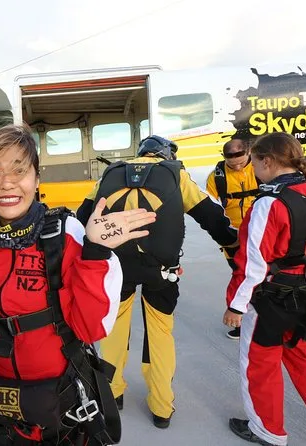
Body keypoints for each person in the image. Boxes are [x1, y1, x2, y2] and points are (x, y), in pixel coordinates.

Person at [0, 124, 156, 445]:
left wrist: (95, 251)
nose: (7, 182)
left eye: (19, 170)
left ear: (36, 179)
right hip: (6, 405)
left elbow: (91, 328)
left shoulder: (63, 234)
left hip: (63, 407)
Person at [77, 135, 238, 429]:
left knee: (114, 329)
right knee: (160, 333)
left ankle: (112, 392)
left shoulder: (111, 173)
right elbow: (211, 216)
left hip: (117, 266)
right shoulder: (176, 174)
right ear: (166, 154)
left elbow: (83, 216)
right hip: (162, 269)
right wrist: (233, 245)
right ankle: (161, 406)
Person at [223, 132, 306, 446]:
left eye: (254, 162)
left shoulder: (268, 203)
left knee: (260, 365)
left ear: (267, 161)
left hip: (269, 300)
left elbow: (252, 264)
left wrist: (236, 305)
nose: (253, 169)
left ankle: (267, 430)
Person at [205, 138, 260, 340]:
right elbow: (211, 210)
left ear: (249, 152)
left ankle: (262, 320)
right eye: (231, 163)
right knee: (240, 276)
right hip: (233, 237)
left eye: (241, 162)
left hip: (261, 234)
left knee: (263, 279)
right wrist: (224, 237)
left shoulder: (260, 168)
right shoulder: (216, 178)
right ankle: (241, 321)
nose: (237, 166)